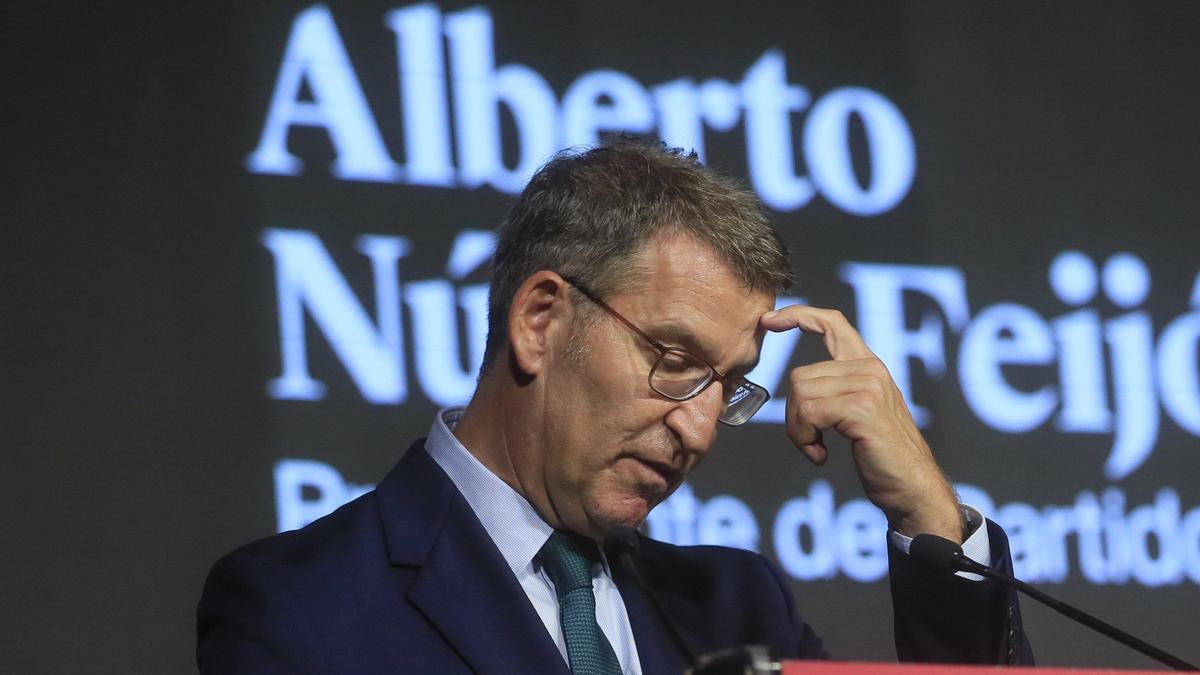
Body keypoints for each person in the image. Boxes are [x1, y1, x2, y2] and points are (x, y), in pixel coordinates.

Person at [197, 140, 1033, 673]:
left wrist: (929, 514)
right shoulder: (302, 606)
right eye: (674, 362)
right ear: (540, 320)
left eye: (730, 384)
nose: (700, 428)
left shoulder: (740, 607)